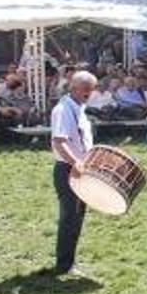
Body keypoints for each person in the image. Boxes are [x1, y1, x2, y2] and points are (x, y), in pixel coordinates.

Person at [49, 71, 96, 277]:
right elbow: (59, 142)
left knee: (77, 217)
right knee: (70, 217)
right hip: (68, 169)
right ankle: (64, 265)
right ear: (74, 88)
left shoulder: (79, 108)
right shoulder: (63, 110)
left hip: (80, 168)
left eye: (90, 91)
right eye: (85, 90)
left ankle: (69, 262)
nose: (88, 94)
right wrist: (75, 163)